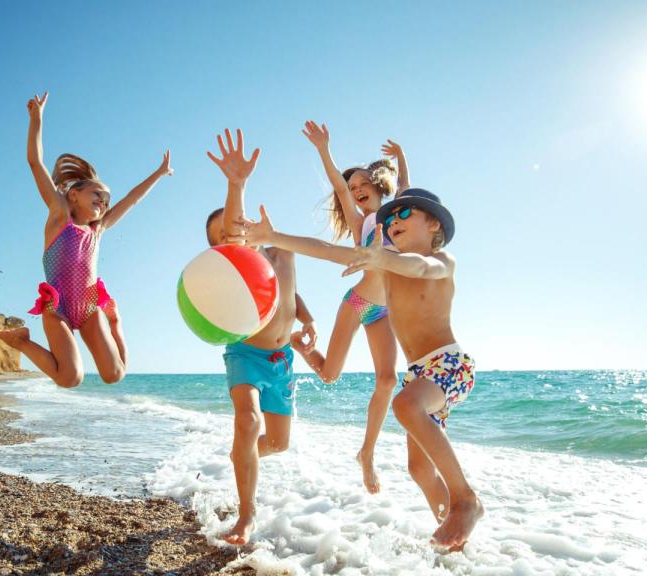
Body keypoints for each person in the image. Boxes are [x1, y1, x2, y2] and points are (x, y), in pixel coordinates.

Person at [236, 188, 483, 551]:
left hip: (449, 364)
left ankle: (465, 501)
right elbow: (325, 250)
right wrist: (273, 237)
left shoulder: (442, 260)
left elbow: (420, 266)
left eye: (405, 214)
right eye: (390, 217)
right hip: (421, 375)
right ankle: (455, 546)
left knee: (403, 405)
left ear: (433, 225)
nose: (394, 220)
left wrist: (383, 259)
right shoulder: (383, 263)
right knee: (418, 469)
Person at [0, 92, 172, 387]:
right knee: (70, 377)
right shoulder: (59, 214)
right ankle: (22, 342)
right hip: (58, 307)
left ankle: (116, 323)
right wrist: (37, 120)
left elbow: (131, 201)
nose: (104, 203)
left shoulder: (98, 229)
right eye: (97, 195)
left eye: (106, 200)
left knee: (115, 374)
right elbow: (35, 163)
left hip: (90, 307)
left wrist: (158, 173)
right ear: (74, 195)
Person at [205, 128, 317, 546]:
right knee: (248, 421)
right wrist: (237, 184)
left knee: (278, 443)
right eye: (222, 236)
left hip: (283, 360)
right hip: (246, 355)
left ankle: (242, 458)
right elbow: (236, 231)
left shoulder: (280, 250)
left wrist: (308, 319)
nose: (231, 234)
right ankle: (245, 516)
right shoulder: (237, 261)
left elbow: (290, 292)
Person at [293, 121, 409, 494]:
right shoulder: (362, 223)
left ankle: (367, 453)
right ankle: (301, 345)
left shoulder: (397, 216)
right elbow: (338, 184)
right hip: (359, 303)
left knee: (389, 380)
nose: (356, 190)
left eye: (363, 185)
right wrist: (324, 150)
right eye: (353, 187)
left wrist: (402, 158)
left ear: (378, 187)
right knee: (328, 375)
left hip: (386, 311)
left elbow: (406, 188)